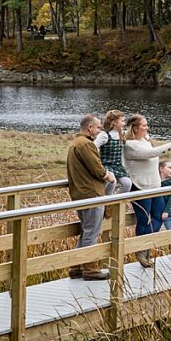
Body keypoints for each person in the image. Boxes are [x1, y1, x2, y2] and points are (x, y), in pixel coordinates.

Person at [123, 114, 171, 267]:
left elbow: (150, 148)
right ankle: (142, 250)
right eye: (144, 125)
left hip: (155, 186)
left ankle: (144, 246)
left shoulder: (145, 139)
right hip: (140, 186)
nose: (147, 127)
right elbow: (150, 154)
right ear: (135, 128)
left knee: (160, 216)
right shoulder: (130, 145)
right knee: (143, 220)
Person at [66, 114, 116, 281]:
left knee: (87, 230)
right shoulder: (86, 145)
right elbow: (97, 170)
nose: (99, 130)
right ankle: (90, 269)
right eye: (98, 127)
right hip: (92, 193)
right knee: (91, 233)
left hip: (80, 193)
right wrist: (109, 176)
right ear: (89, 128)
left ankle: (76, 266)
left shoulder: (75, 143)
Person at [94, 110, 134, 214]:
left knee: (127, 183)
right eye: (122, 121)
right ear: (114, 122)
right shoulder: (105, 135)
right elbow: (93, 147)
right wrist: (97, 157)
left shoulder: (121, 134)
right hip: (106, 165)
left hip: (117, 165)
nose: (124, 123)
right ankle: (106, 202)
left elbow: (133, 133)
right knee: (113, 182)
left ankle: (114, 202)